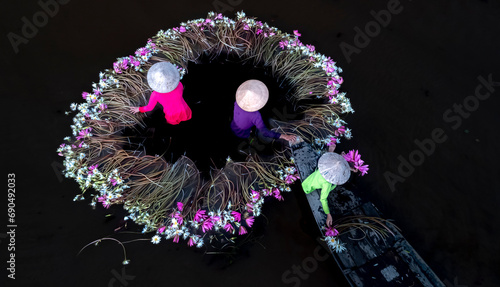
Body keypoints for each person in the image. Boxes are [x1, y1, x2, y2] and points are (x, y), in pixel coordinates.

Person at [301, 144, 351, 227]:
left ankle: (332, 151)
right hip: (307, 188)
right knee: (328, 191)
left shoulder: (324, 167)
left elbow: (335, 163)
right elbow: (323, 199)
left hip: (311, 179)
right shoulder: (327, 184)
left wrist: (348, 166)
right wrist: (328, 214)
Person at [230, 79, 296, 142]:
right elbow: (265, 133)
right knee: (248, 137)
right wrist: (284, 136)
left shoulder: (238, 102)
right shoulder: (256, 115)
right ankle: (249, 139)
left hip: (233, 125)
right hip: (243, 132)